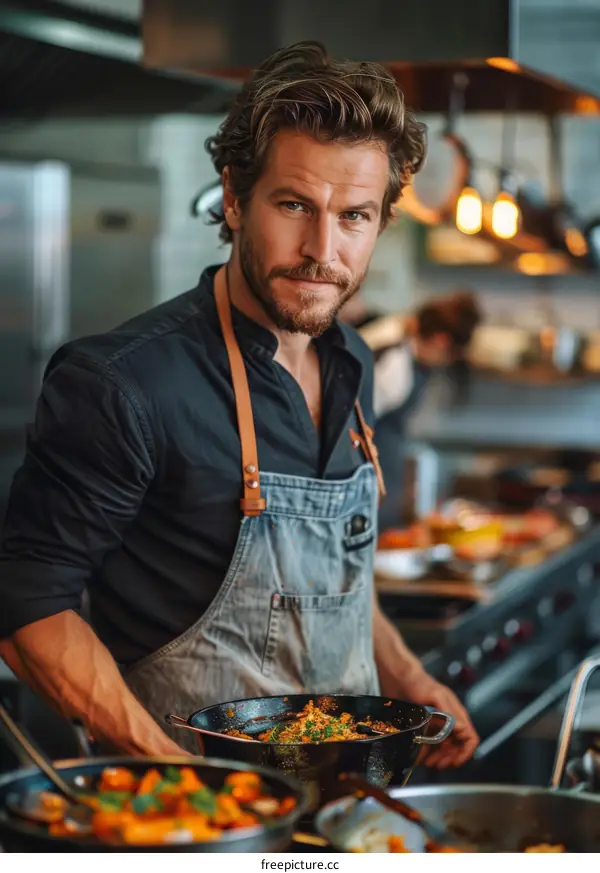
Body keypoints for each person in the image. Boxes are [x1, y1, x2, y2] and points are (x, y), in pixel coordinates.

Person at [0, 42, 478, 768]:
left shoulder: (354, 362)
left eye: (354, 216)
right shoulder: (125, 383)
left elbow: (330, 585)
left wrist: (412, 678)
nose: (323, 250)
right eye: (295, 205)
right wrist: (174, 771)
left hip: (356, 798)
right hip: (204, 821)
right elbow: (26, 602)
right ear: (233, 196)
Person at [343, 291, 482, 529]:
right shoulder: (394, 366)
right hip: (362, 477)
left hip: (381, 473)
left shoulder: (405, 344)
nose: (445, 363)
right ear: (441, 340)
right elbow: (351, 427)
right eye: (450, 356)